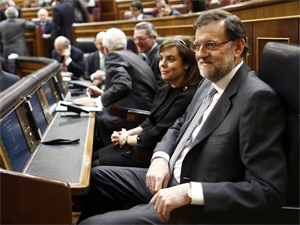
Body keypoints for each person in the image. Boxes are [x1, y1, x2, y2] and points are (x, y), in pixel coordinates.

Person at [77, 10, 287, 224]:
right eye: (197, 45)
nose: (201, 54)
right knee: (97, 177)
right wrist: (161, 157)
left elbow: (267, 192)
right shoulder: (208, 82)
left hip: (193, 205)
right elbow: (179, 125)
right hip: (169, 177)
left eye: (211, 45)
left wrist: (190, 192)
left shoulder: (256, 98)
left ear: (238, 47)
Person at [91, 36, 202, 168]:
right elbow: (150, 121)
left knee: (93, 167)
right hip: (140, 142)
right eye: (161, 58)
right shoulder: (164, 90)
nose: (163, 64)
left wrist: (126, 139)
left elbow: (159, 133)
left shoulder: (188, 95)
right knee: (92, 155)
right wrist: (128, 133)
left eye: (170, 59)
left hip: (151, 153)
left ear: (186, 64)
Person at [73, 28, 158, 148]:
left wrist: (97, 101)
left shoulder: (113, 56)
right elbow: (129, 87)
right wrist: (103, 94)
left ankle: (92, 157)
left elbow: (123, 84)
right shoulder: (134, 55)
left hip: (136, 117)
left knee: (91, 119)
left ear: (105, 48)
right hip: (145, 113)